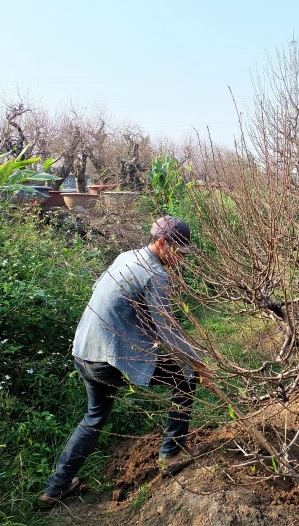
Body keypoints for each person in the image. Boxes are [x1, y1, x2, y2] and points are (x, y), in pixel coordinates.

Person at [40, 216, 212, 505]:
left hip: (84, 351)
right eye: (179, 253)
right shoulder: (157, 275)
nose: (182, 260)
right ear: (162, 244)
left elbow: (103, 292)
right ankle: (170, 455)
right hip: (108, 359)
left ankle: (56, 487)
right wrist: (199, 364)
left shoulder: (125, 257)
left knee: (94, 418)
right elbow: (167, 333)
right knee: (186, 378)